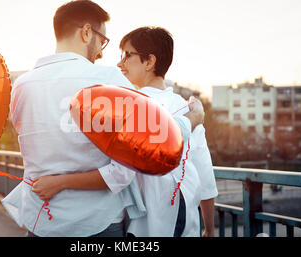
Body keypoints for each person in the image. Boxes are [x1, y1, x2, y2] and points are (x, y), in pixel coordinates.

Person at [1, 0, 198, 237]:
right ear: (86, 32)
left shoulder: (22, 86)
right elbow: (136, 157)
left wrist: (58, 181)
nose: (102, 51)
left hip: (42, 220)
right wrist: (192, 119)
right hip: (97, 223)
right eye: (102, 40)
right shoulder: (108, 79)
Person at [32, 26, 215, 237]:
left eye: (127, 55)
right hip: (184, 217)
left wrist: (59, 182)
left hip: (149, 222)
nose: (120, 64)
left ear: (149, 62)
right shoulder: (187, 107)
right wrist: (209, 229)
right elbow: (204, 172)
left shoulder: (126, 107)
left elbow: (118, 173)